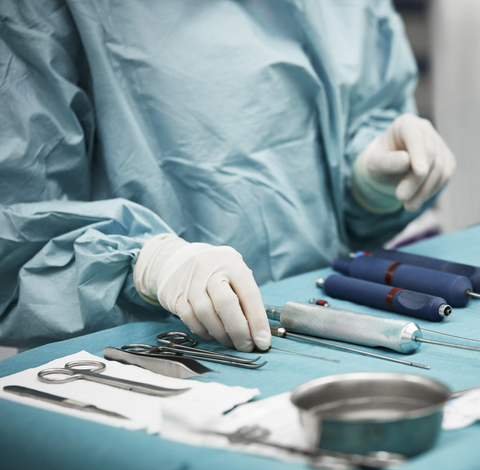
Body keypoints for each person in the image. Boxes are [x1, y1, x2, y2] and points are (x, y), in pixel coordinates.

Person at [0, 0, 456, 352]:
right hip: (149, 355)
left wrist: (367, 181)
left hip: (325, 313)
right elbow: (15, 237)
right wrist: (148, 265)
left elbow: (363, 116)